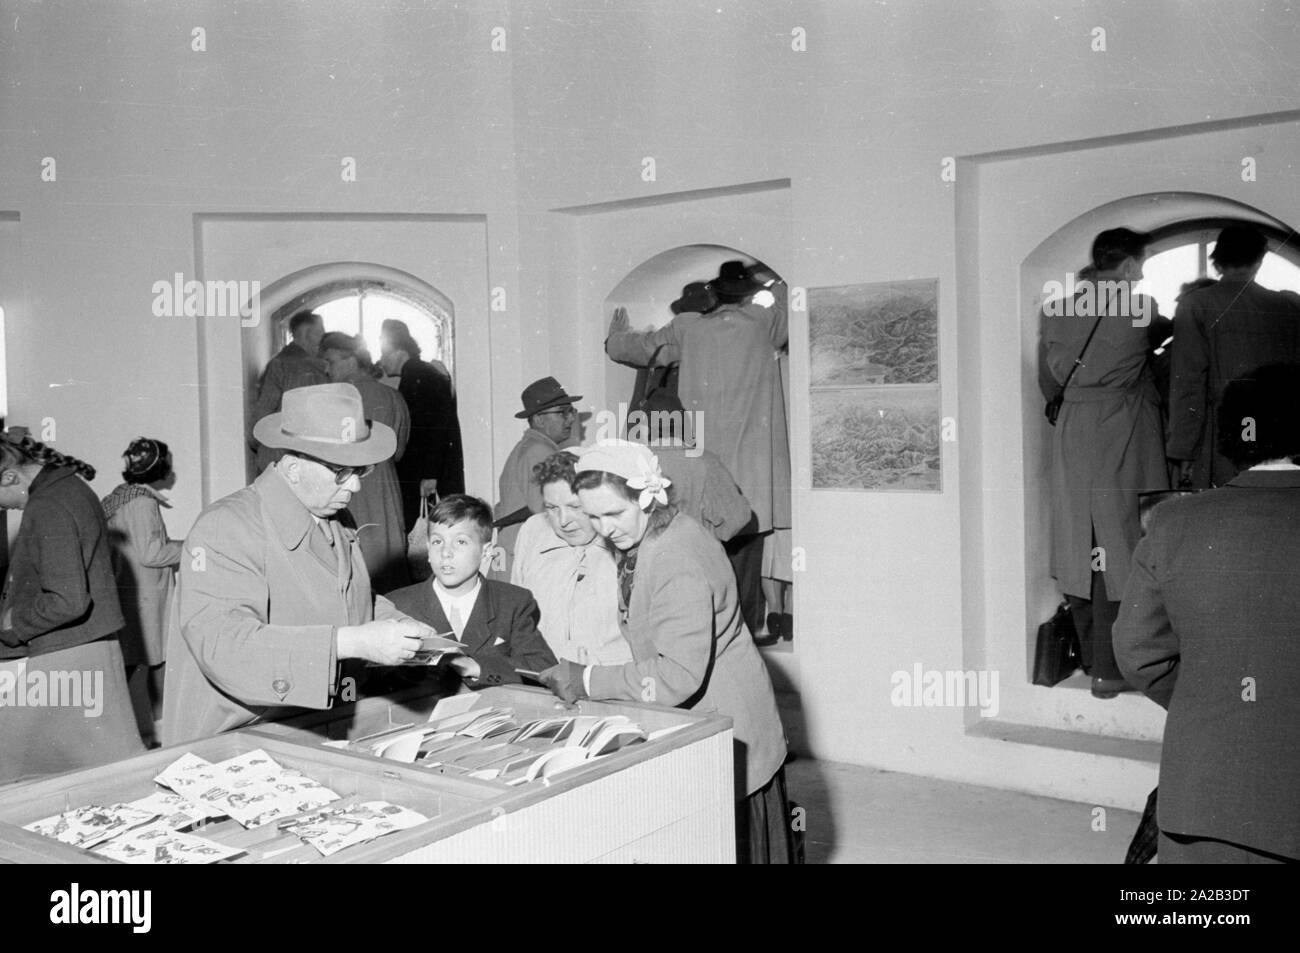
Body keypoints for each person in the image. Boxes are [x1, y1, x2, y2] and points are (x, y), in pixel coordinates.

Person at [541, 440, 791, 863]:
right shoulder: (659, 533)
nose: (605, 529)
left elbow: (674, 677)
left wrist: (585, 679)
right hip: (712, 721)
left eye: (615, 514)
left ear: (646, 498)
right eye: (594, 516)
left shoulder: (675, 556)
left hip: (727, 727)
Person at [162, 383, 439, 745]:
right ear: (292, 468)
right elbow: (226, 648)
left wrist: (396, 623)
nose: (355, 487)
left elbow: (352, 598)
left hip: (320, 721)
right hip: (236, 736)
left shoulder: (335, 518)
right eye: (341, 472)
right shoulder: (225, 527)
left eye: (361, 471)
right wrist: (351, 642)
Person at [1114, 365, 1300, 863]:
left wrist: (1210, 698)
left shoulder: (1174, 521)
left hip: (1202, 799)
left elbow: (1137, 651)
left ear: (1230, 437)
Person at [606, 260, 791, 642]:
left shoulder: (687, 328)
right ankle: (745, 633)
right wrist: (766, 276)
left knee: (697, 554)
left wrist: (615, 337)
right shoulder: (762, 322)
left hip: (698, 467)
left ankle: (703, 634)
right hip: (754, 473)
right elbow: (788, 295)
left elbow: (636, 349)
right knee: (746, 553)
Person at [1037, 228, 1172, 698]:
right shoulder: (1142, 307)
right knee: (1126, 544)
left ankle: (1096, 662)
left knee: (1080, 545)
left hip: (1074, 430)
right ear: (1132, 266)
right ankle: (1119, 666)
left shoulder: (1054, 308)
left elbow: (1046, 381)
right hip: (1124, 430)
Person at [0, 430, 144, 783]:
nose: (4, 507)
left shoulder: (48, 505)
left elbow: (68, 601)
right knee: (104, 767)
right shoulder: (70, 490)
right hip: (87, 647)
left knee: (14, 767)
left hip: (63, 654)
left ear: (9, 476)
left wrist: (12, 624)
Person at [1167, 224, 1300, 489]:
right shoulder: (1288, 305)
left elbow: (1188, 382)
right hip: (1280, 426)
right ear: (1260, 260)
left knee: (1226, 505)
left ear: (1217, 260)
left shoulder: (1196, 304)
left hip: (1224, 430)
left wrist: (1184, 449)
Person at [387, 494, 557, 692]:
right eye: (437, 542)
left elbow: (544, 668)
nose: (445, 553)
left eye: (460, 542)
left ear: (486, 552)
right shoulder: (396, 604)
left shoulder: (512, 602)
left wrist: (475, 666)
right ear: (427, 549)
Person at [511, 451, 632, 665]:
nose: (563, 521)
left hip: (606, 681)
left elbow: (647, 638)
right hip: (539, 677)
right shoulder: (533, 531)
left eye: (575, 507)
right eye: (552, 508)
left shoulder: (626, 542)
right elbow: (516, 617)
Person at [101, 437, 183, 743]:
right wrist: (192, 548)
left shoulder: (119, 497)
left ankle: (117, 734)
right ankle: (161, 735)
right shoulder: (143, 502)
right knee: (156, 663)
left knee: (129, 664)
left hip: (129, 593)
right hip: (148, 598)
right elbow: (152, 554)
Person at [320, 331, 412, 593]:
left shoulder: (339, 399)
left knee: (355, 562)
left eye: (330, 361)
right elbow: (399, 450)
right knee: (388, 564)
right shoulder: (393, 396)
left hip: (349, 484)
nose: (326, 369)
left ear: (351, 360)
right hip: (386, 485)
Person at [379, 319, 465, 530]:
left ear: (399, 351)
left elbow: (435, 429)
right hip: (429, 472)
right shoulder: (421, 373)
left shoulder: (418, 376)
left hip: (427, 475)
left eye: (384, 354)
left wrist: (430, 475)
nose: (381, 361)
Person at [495, 376, 582, 576]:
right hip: (523, 556)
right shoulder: (539, 452)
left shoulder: (530, 447)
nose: (570, 419)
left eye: (571, 412)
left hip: (512, 552)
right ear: (539, 419)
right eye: (563, 412)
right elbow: (546, 510)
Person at [250, 309, 330, 472]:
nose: (323, 339)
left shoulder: (279, 364)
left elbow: (261, 416)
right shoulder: (298, 367)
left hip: (280, 456)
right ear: (305, 333)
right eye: (320, 332)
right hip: (299, 456)